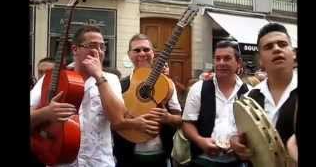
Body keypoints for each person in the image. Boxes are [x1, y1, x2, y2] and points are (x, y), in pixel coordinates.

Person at [30, 25, 139, 167]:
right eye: (92, 46)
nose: (98, 51)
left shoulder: (111, 79)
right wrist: (46, 113)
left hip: (99, 162)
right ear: (75, 49)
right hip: (61, 161)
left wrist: (99, 76)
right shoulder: (53, 78)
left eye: (102, 47)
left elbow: (117, 120)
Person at [230, 23, 298, 165]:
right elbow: (238, 135)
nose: (277, 49)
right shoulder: (249, 98)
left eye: (282, 44)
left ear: (294, 53)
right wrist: (236, 144)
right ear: (260, 59)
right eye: (268, 47)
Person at [112, 34, 182, 167]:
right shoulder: (119, 85)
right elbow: (112, 123)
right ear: (129, 54)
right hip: (127, 157)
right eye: (137, 50)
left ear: (153, 53)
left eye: (146, 49)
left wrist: (169, 118)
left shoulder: (167, 84)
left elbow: (180, 120)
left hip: (161, 156)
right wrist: (134, 123)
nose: (142, 53)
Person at [181, 40, 250, 167]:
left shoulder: (249, 93)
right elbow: (187, 123)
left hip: (237, 162)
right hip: (203, 160)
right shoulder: (198, 88)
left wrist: (240, 144)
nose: (221, 63)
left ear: (238, 62)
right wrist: (200, 140)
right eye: (218, 59)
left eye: (227, 58)